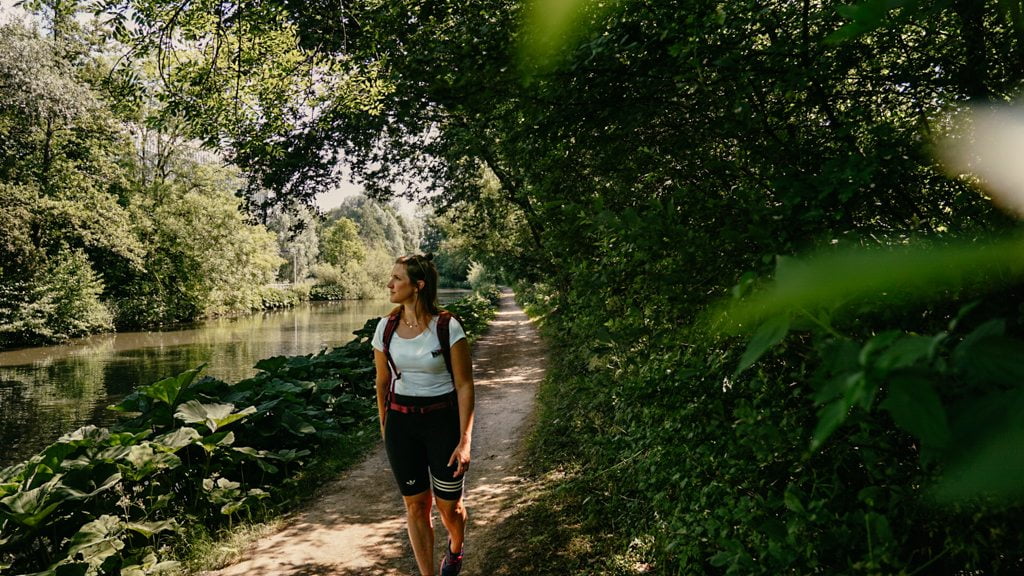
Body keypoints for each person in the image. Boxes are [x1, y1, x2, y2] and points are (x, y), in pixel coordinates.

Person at [372, 253, 475, 576]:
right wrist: (385, 426)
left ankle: (455, 548)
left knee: (450, 508)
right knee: (416, 506)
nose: (389, 284)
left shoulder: (447, 327)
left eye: (397, 279)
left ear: (418, 286)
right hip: (402, 425)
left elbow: (464, 385)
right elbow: (381, 382)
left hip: (442, 422)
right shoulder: (385, 328)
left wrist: (465, 440)